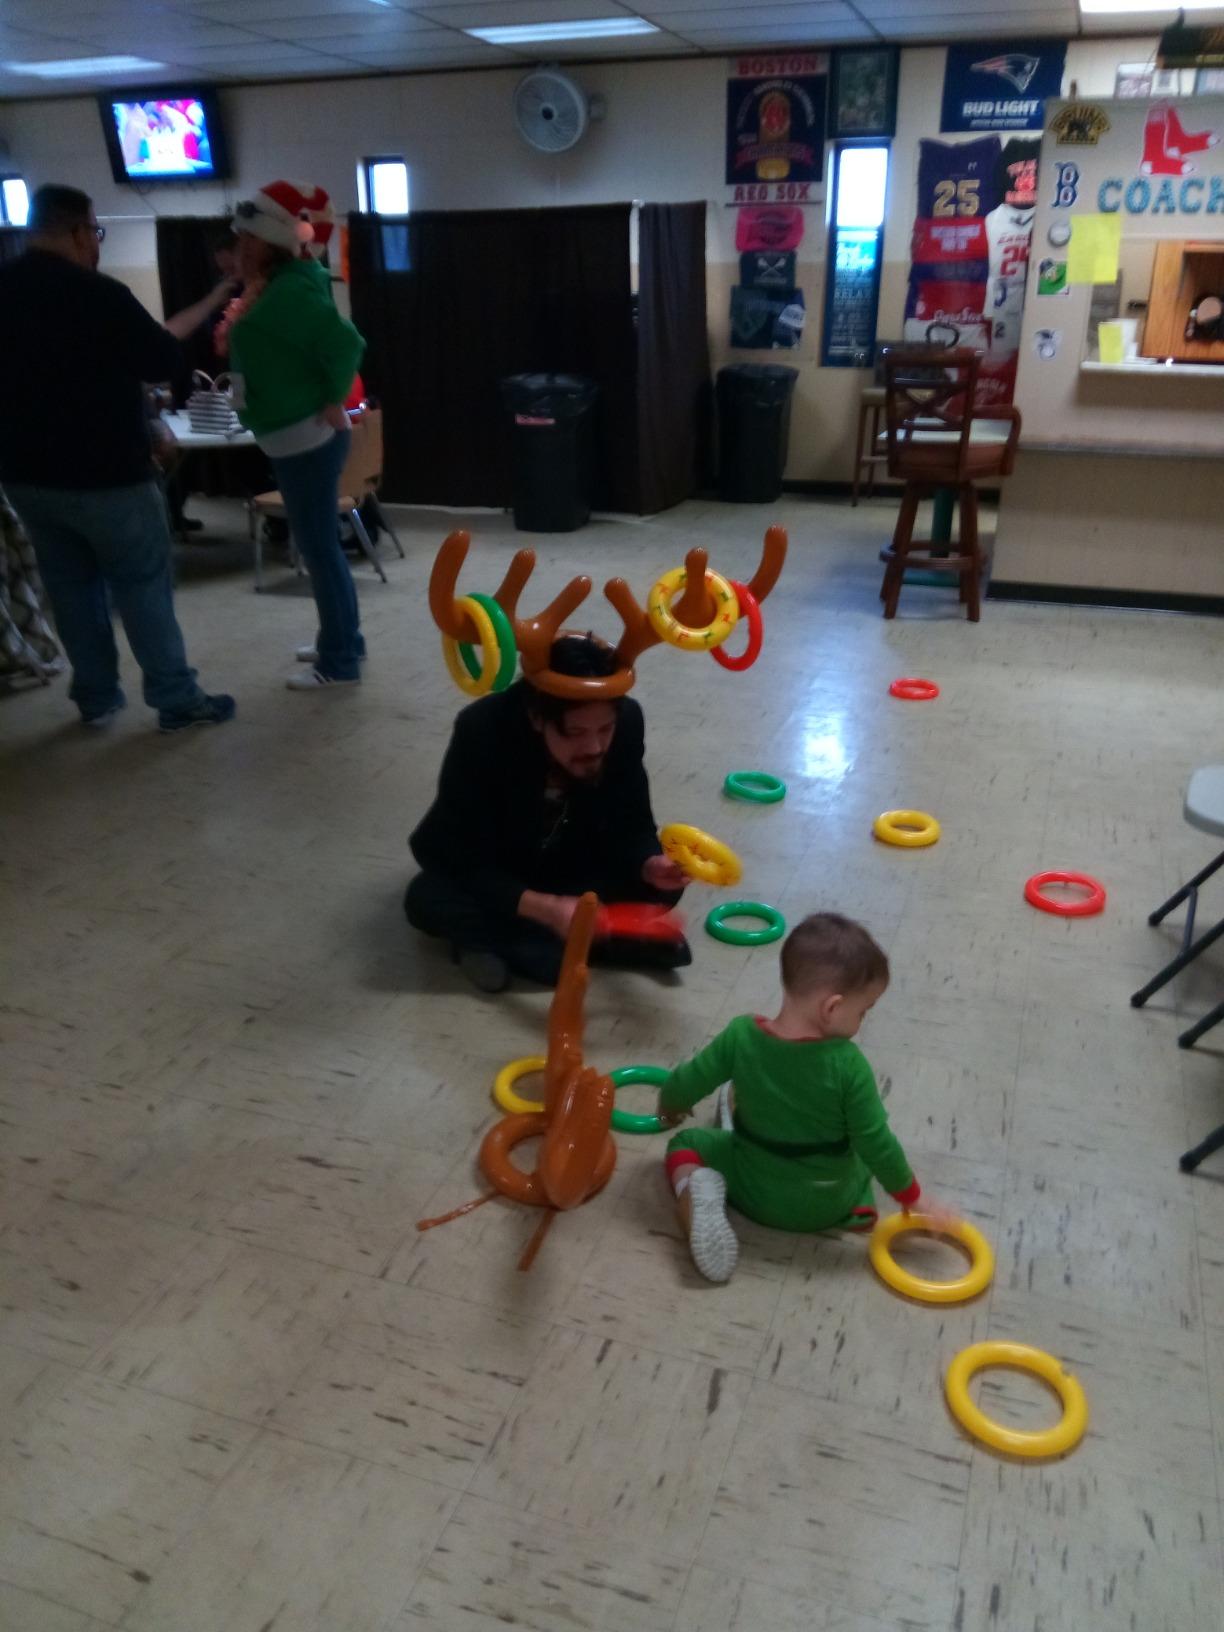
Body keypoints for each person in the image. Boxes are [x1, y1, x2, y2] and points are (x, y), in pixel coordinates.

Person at [0, 184, 235, 730]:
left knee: (71, 588)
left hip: (27, 479)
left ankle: (96, 698)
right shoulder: (99, 295)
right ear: (81, 231)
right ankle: (175, 700)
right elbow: (160, 360)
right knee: (142, 584)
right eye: (97, 233)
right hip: (108, 473)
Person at [657, 913, 953, 1283]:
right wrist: (913, 1197)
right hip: (827, 1204)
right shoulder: (848, 1066)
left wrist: (669, 1105)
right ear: (831, 1008)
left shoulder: (740, 1036)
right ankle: (842, 1200)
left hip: (753, 1192)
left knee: (686, 1142)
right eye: (863, 1011)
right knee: (861, 1158)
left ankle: (694, 1193)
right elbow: (877, 1144)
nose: (862, 1022)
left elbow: (687, 1082)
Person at [405, 634, 692, 992]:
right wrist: (544, 907)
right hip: (503, 872)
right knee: (426, 899)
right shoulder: (483, 730)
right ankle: (586, 943)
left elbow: (633, 821)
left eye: (605, 729)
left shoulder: (628, 722)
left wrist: (650, 863)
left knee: (662, 889)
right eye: (575, 732)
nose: (594, 746)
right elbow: (455, 853)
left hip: (572, 860)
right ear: (537, 718)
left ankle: (538, 944)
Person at [227, 181, 366, 691]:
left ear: (267, 242)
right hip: (296, 440)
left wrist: (334, 396)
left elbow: (346, 343)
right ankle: (344, 639)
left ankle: (338, 661)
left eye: (245, 241)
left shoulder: (289, 293)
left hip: (307, 441)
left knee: (320, 551)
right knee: (322, 548)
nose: (237, 251)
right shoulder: (287, 286)